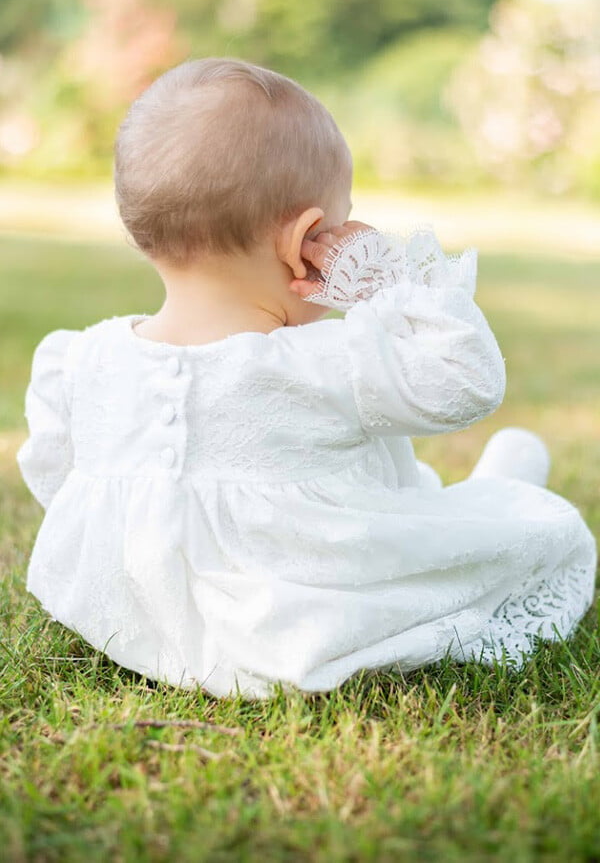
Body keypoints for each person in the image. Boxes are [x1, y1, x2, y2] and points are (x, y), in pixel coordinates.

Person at [16, 57, 597, 699]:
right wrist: (392, 276)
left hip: (137, 624)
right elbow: (467, 379)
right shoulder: (321, 360)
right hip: (310, 613)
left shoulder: (81, 359)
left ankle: (485, 491)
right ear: (309, 243)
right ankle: (496, 491)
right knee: (500, 528)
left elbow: (57, 475)